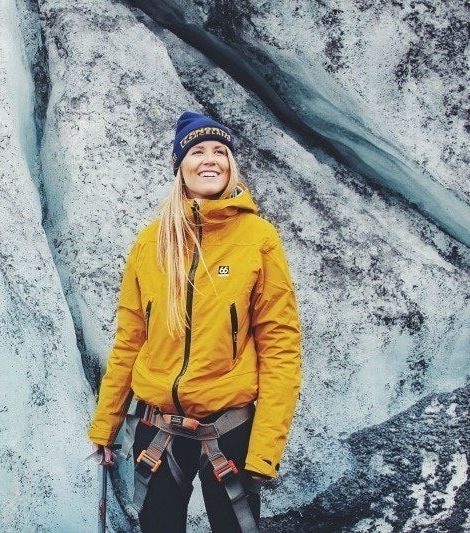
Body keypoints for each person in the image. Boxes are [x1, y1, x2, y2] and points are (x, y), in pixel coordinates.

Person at [88, 111, 302, 532]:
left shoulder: (258, 238)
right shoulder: (151, 241)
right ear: (179, 165)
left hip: (230, 430)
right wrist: (105, 426)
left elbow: (281, 347)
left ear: (231, 164)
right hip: (157, 430)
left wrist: (264, 450)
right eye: (197, 150)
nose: (210, 159)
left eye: (220, 151)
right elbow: (130, 341)